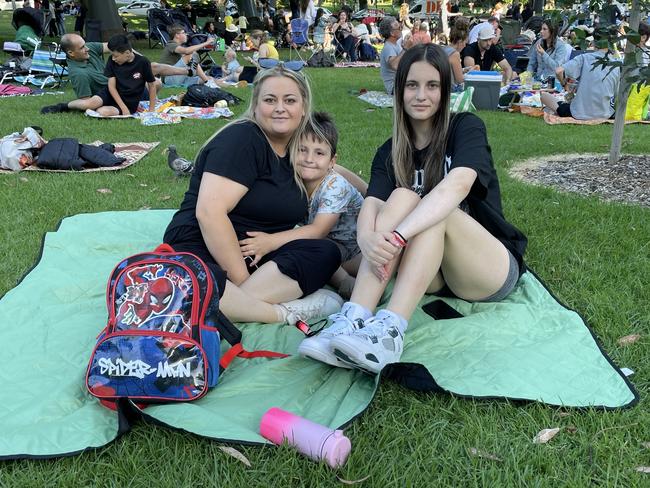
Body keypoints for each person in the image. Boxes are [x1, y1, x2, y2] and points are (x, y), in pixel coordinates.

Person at [298, 43, 527, 373]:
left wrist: (398, 237)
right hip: (430, 275)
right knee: (403, 197)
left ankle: (390, 332)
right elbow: (373, 203)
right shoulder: (390, 151)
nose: (422, 95)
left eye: (432, 85)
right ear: (399, 90)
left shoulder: (465, 127)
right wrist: (366, 238)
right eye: (412, 85)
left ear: (445, 91)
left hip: (485, 267)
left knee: (436, 208)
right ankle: (354, 318)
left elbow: (457, 185)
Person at [163, 66, 344, 326]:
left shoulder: (294, 147)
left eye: (290, 100)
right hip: (203, 246)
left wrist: (372, 194)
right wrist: (242, 281)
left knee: (324, 251)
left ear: (303, 107)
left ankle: (228, 304)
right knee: (189, 284)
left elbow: (330, 167)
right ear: (256, 106)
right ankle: (281, 313)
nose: (280, 107)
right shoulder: (243, 138)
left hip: (256, 253)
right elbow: (209, 213)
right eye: (270, 100)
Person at [239, 112, 366, 300]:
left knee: (308, 250)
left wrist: (270, 241)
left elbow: (318, 231)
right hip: (328, 243)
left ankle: (344, 281)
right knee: (299, 246)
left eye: (319, 153)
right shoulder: (293, 179)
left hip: (357, 249)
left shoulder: (335, 187)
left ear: (332, 161)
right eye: (302, 150)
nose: (309, 159)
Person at [40, 33, 190, 114]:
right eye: (82, 48)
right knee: (96, 106)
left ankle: (187, 71)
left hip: (128, 84)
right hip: (112, 94)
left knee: (153, 72)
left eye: (85, 45)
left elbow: (115, 46)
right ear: (71, 53)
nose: (87, 49)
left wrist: (133, 57)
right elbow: (86, 102)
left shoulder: (90, 48)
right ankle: (63, 106)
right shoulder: (78, 74)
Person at [540, 32, 620, 120]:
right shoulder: (616, 65)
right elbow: (617, 96)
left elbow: (558, 71)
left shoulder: (584, 58)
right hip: (604, 113)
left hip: (579, 113)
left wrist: (564, 84)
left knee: (544, 96)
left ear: (593, 43)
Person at [103, 34, 156, 116]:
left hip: (131, 100)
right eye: (112, 55)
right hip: (114, 96)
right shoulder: (112, 61)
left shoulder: (143, 62)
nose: (113, 58)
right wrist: (123, 108)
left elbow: (152, 85)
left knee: (104, 111)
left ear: (127, 53)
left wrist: (151, 110)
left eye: (115, 56)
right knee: (97, 107)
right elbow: (111, 87)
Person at [379, 16, 414, 94]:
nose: (401, 30)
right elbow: (395, 65)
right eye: (399, 28)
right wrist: (405, 48)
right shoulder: (388, 47)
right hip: (395, 87)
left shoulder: (396, 44)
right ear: (392, 33)